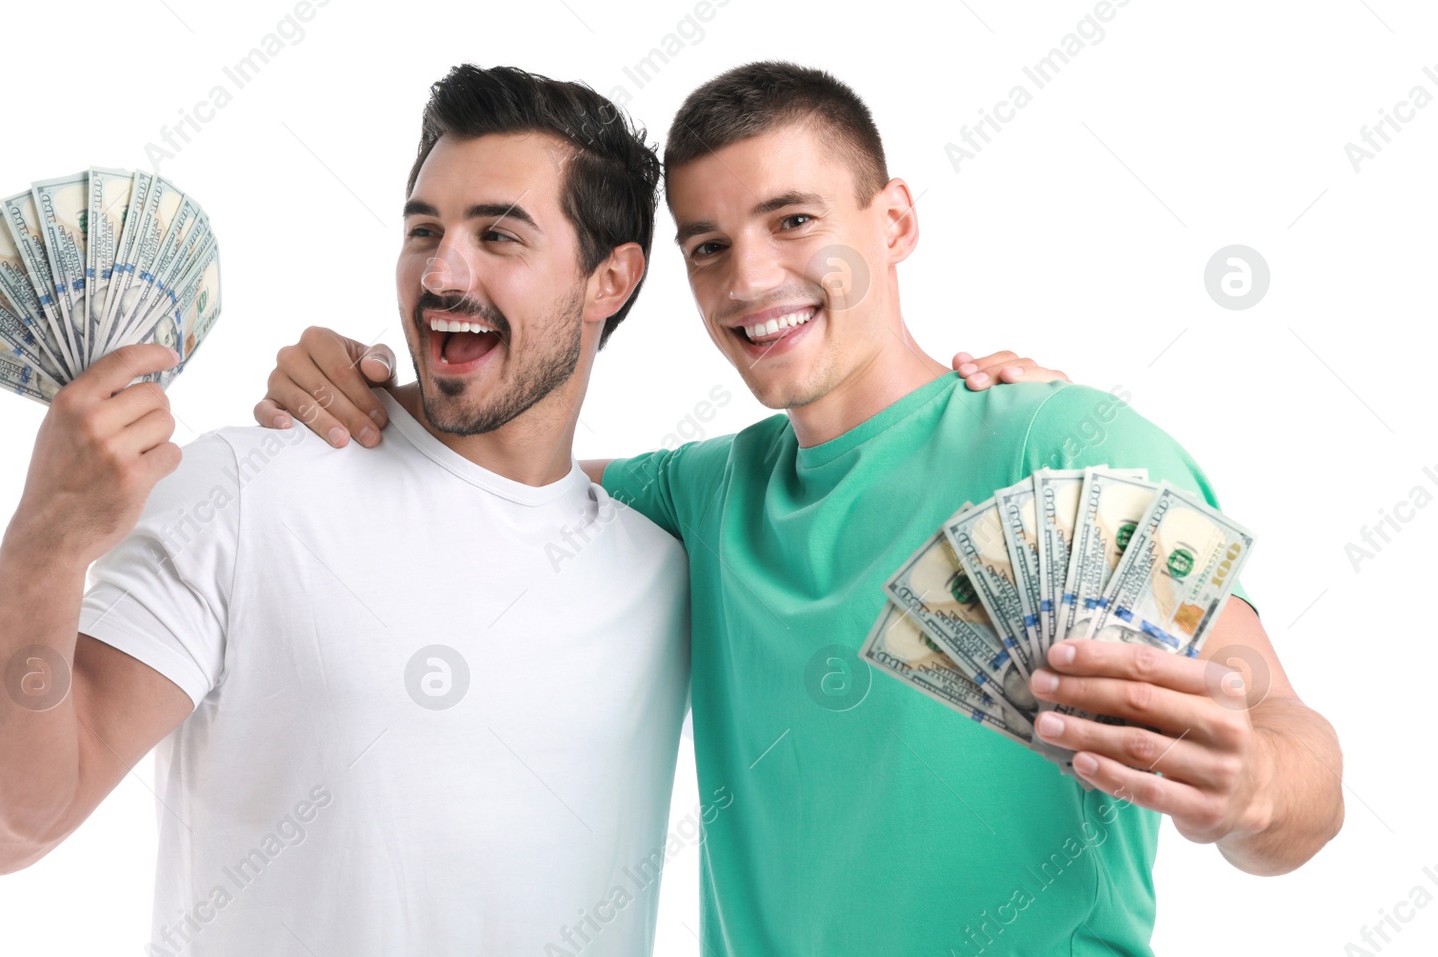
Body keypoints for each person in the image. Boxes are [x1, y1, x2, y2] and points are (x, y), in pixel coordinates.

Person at [257, 61, 1344, 955]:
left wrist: (1249, 790)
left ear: (895, 220)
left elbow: (1296, 763)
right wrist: (362, 385)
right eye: (708, 247)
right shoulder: (701, 493)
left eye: (791, 220)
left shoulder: (1063, 449)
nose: (749, 279)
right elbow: (499, 464)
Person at [0, 65, 700, 957]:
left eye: (499, 234)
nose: (443, 271)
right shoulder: (247, 490)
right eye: (425, 230)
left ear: (611, 279)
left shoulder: (668, 567)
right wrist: (48, 540)